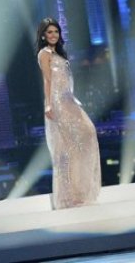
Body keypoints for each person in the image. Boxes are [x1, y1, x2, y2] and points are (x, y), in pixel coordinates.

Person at [36, 17, 101, 209]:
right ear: (43, 35)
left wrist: (71, 98)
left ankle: (79, 191)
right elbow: (47, 81)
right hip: (57, 103)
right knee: (64, 150)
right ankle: (67, 198)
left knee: (87, 134)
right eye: (49, 32)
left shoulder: (58, 53)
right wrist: (49, 105)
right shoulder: (44, 54)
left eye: (56, 32)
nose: (53, 35)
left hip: (68, 100)